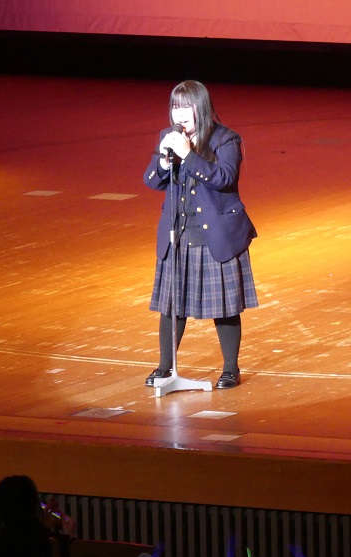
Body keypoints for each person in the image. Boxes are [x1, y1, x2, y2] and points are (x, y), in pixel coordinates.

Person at [143, 80, 258, 390]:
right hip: (178, 234)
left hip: (216, 235)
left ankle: (230, 369)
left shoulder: (225, 139)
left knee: (225, 306)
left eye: (186, 107)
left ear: (201, 108)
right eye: (175, 107)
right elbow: (152, 181)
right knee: (172, 305)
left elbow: (224, 177)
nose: (180, 114)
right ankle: (165, 367)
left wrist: (189, 155)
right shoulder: (168, 137)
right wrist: (165, 160)